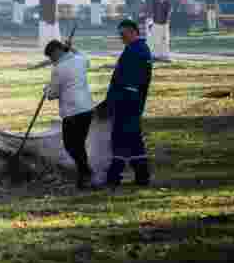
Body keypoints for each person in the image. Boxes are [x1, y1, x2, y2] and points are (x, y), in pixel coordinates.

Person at [101, 19, 154, 187]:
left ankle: (114, 175)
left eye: (123, 34)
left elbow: (128, 82)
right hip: (131, 101)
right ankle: (141, 175)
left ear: (133, 32)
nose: (121, 38)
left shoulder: (137, 51)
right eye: (120, 35)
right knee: (133, 139)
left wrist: (113, 102)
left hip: (127, 102)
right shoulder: (136, 48)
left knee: (121, 138)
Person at [43, 39, 95, 188]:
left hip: (72, 112)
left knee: (71, 145)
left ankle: (85, 173)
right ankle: (84, 175)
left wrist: (46, 89)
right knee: (79, 145)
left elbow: (52, 94)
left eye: (51, 57)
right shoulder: (80, 60)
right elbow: (86, 59)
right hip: (87, 109)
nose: (51, 61)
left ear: (57, 52)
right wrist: (73, 49)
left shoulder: (59, 68)